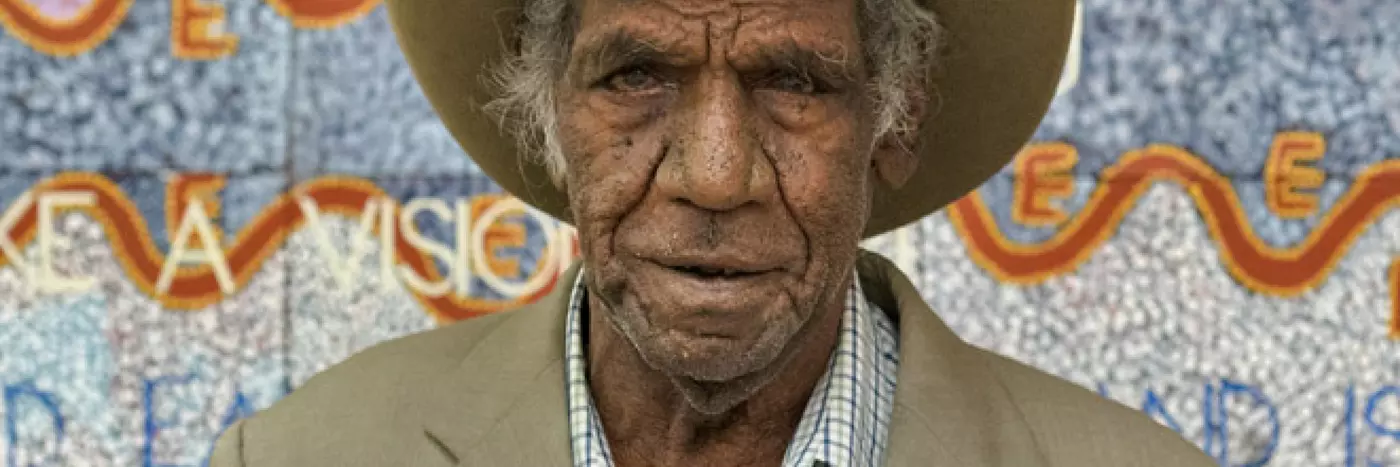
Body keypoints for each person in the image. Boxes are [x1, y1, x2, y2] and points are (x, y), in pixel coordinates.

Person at [210, 0, 1215, 465]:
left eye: (791, 82)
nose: (714, 174)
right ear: (548, 113)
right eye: (635, 76)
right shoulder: (303, 454)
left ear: (893, 116)